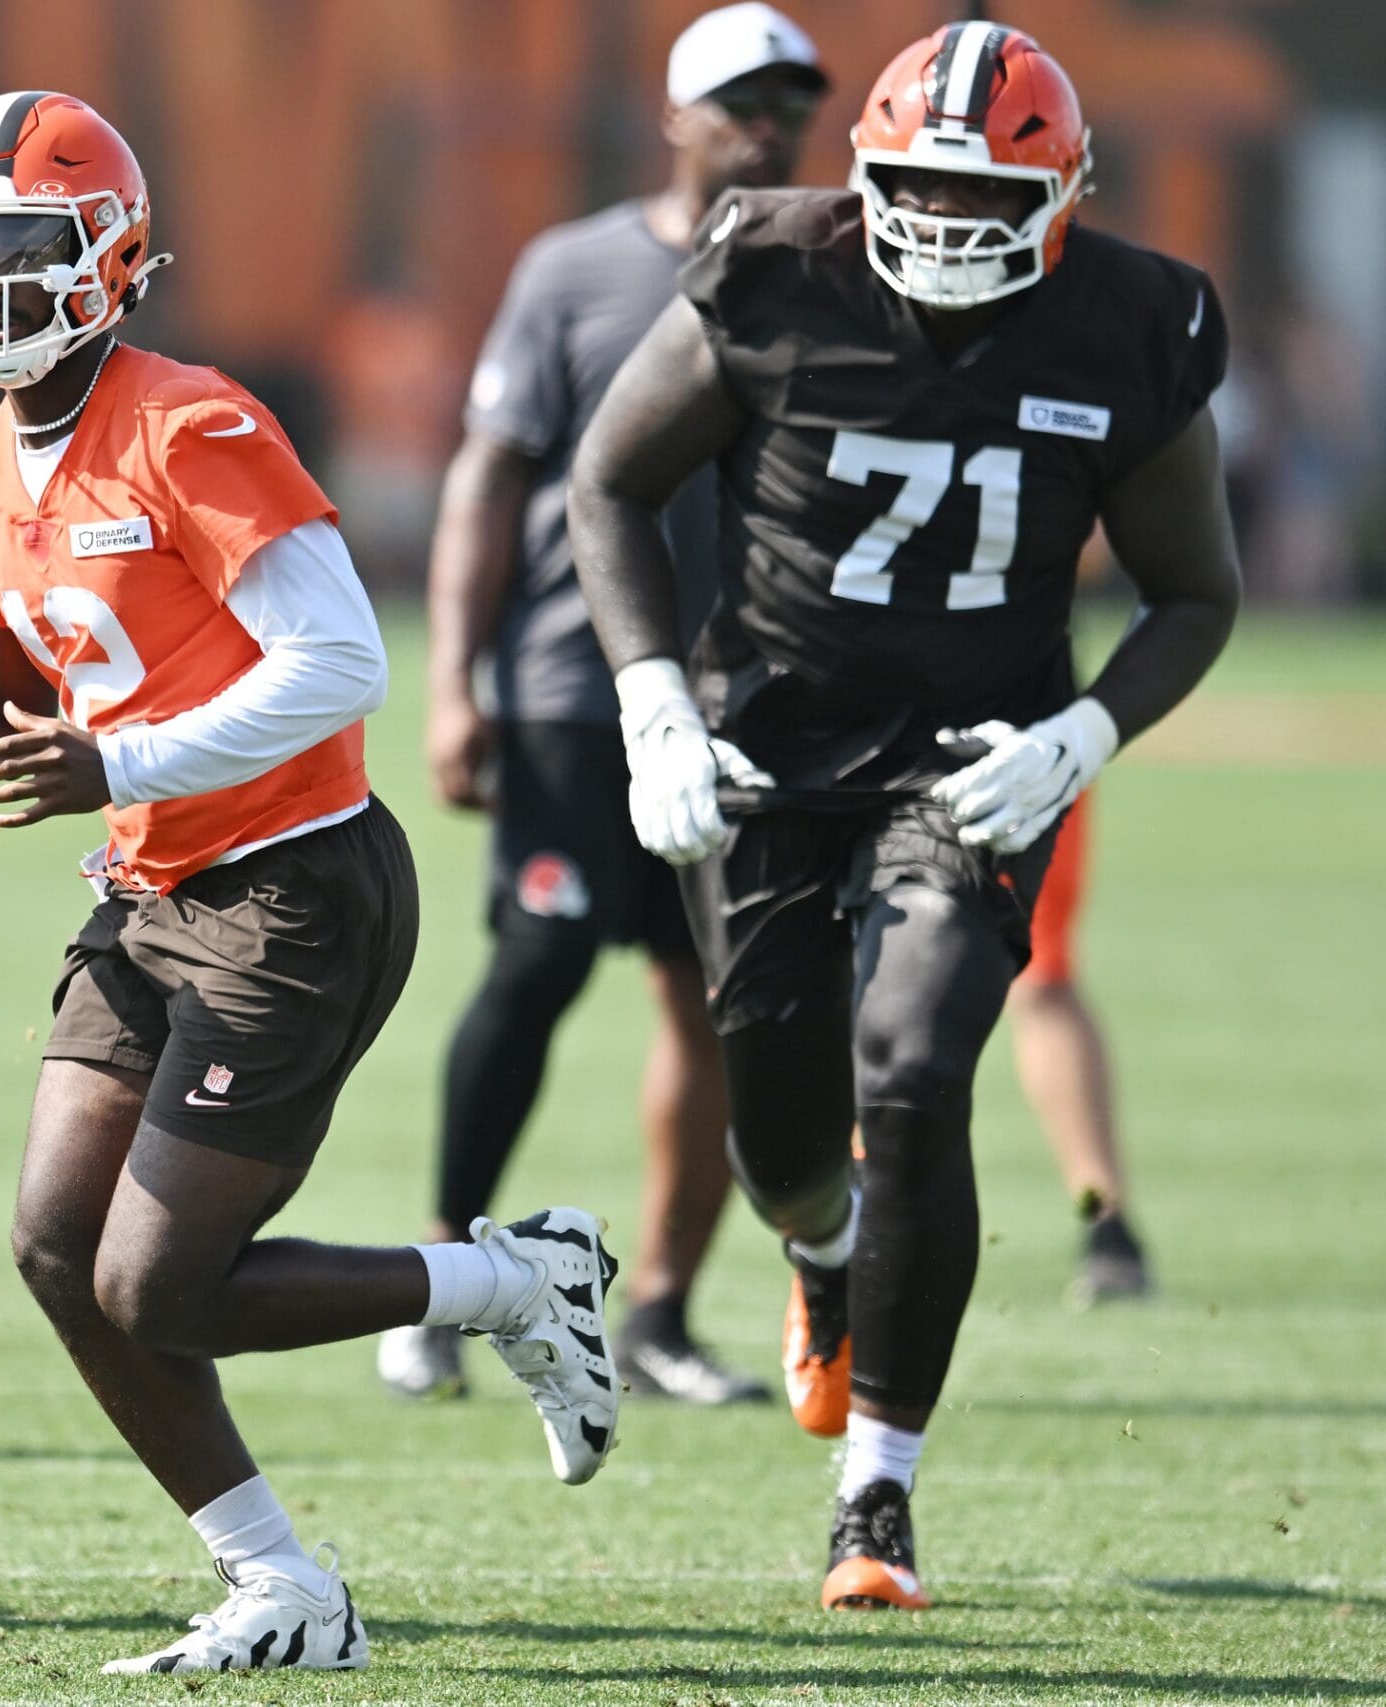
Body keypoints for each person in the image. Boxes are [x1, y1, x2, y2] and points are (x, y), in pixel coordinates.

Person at [0, 93, 618, 1674]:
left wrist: (122, 764)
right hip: (152, 889)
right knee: (52, 1245)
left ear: (113, 257)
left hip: (296, 884)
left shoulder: (190, 423)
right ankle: (280, 1578)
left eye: (29, 251)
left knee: (159, 1280)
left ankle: (510, 1280)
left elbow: (342, 657)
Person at [566, 25, 1237, 1610]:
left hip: (974, 761)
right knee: (788, 1143)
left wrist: (1084, 732)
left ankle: (877, 1491)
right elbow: (606, 481)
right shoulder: (773, 268)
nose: (940, 213)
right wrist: (654, 699)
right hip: (768, 756)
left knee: (919, 1070)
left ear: (1063, 192)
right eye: (918, 178)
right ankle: (819, 1252)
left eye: (978, 184)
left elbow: (1195, 590)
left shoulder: (1131, 321)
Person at [383, 1, 829, 1408]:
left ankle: (664, 1310)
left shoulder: (833, 275)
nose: (767, 126)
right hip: (580, 694)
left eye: (788, 105)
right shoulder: (574, 270)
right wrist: (457, 680)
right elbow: (488, 479)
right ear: (676, 115)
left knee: (716, 1004)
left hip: (755, 701)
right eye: (740, 102)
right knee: (534, 965)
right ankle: (437, 1280)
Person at [1008, 794, 1151, 1304]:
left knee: (1042, 975)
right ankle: (852, 1213)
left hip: (1023, 744)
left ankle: (1104, 1219)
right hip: (867, 744)